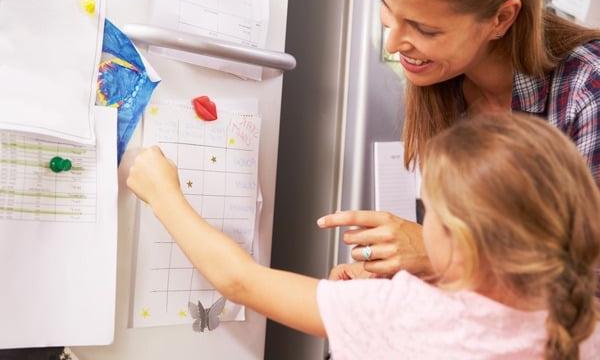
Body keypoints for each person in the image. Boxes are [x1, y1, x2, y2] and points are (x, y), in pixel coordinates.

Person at [127, 113, 600, 359]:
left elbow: (240, 282)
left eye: (427, 212)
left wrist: (163, 194)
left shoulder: (403, 314)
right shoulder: (583, 321)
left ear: (462, 243)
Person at [319, 0, 600, 278]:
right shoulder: (446, 86)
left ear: (501, 19)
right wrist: (401, 282)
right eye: (386, 5)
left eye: (424, 28)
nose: (393, 43)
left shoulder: (588, 89)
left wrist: (440, 256)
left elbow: (587, 287)